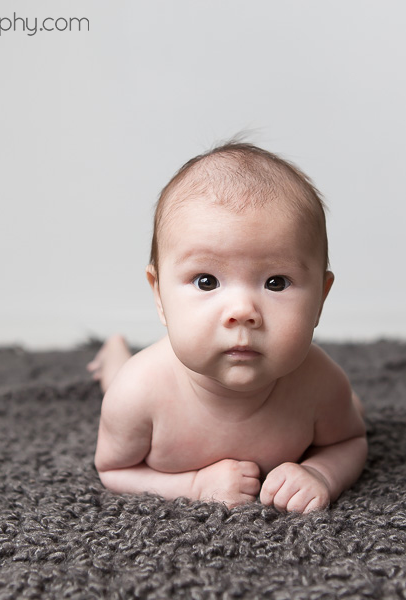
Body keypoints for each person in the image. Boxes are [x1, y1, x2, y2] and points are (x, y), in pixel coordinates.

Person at [88, 142, 366, 513]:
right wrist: (194, 484)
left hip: (332, 400)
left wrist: (320, 474)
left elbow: (350, 442)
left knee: (353, 410)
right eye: (206, 281)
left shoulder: (321, 383)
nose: (242, 312)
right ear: (159, 294)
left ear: (320, 298)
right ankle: (113, 352)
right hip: (140, 381)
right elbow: (115, 469)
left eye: (276, 282)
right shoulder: (138, 393)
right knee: (119, 376)